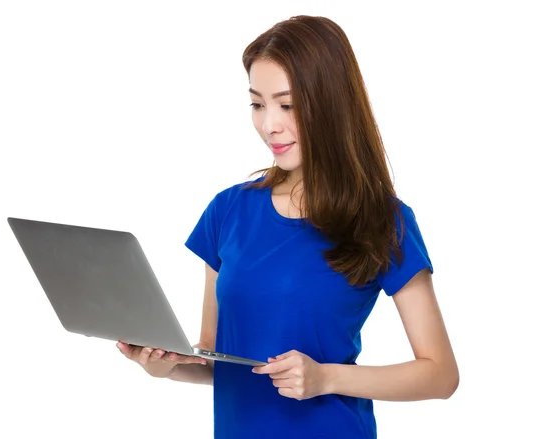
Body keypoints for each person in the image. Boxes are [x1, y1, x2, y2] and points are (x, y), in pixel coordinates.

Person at [117, 14, 459, 438]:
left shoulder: (384, 220)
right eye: (257, 104)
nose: (269, 124)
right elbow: (216, 360)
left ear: (332, 104)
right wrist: (164, 367)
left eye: (287, 105)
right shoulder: (228, 211)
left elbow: (440, 375)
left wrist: (326, 378)